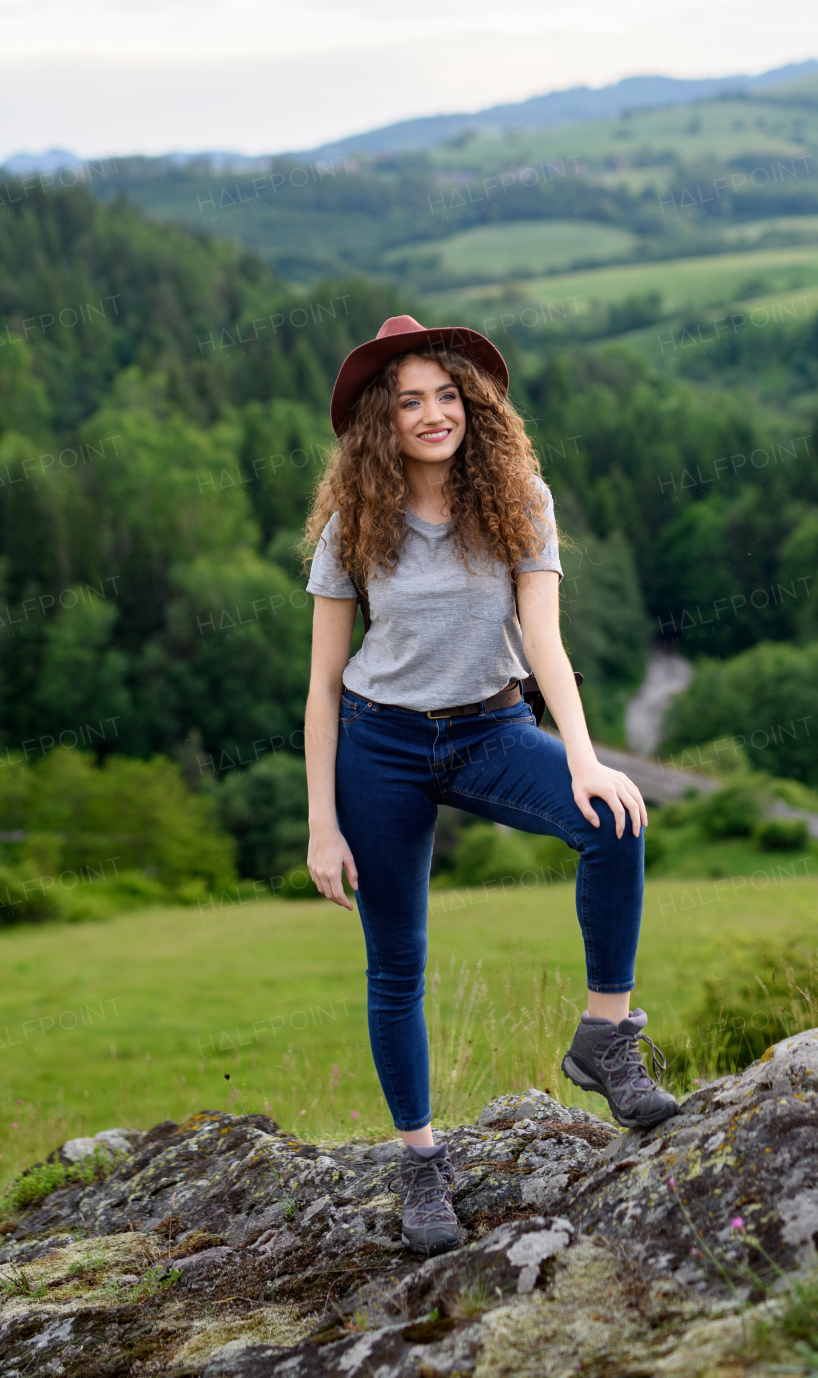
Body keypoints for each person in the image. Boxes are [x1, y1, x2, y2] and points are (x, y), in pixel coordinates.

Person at [302, 314, 676, 1256]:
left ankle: (604, 1036)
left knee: (614, 823)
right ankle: (422, 1160)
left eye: (446, 396)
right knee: (397, 964)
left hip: (489, 730)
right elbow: (319, 687)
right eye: (408, 402)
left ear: (474, 404)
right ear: (378, 426)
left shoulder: (521, 499)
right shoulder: (355, 526)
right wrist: (321, 824)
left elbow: (545, 642)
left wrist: (586, 757)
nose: (433, 415)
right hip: (378, 747)